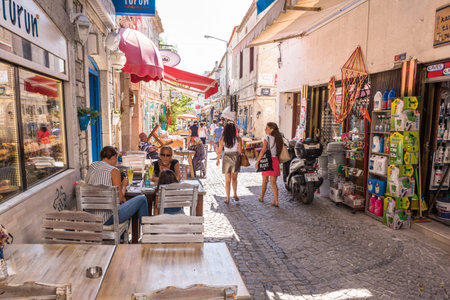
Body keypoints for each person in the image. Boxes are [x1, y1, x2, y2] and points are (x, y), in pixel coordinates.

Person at [85, 146, 148, 225]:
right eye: (117, 159)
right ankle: (146, 229)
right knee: (142, 199)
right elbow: (120, 199)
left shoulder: (92, 166)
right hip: (107, 218)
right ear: (114, 157)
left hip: (90, 218)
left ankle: (121, 237)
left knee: (124, 204)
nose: (117, 162)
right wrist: (124, 185)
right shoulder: (114, 171)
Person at [255, 122, 284, 207]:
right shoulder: (278, 138)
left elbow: (263, 150)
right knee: (273, 183)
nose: (265, 129)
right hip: (275, 160)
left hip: (267, 161)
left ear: (272, 130)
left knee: (265, 181)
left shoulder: (266, 138)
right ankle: (276, 201)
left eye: (267, 128)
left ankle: (262, 197)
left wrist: (258, 161)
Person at [216, 122, 242, 204]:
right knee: (234, 178)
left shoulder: (222, 138)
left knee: (227, 180)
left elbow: (220, 151)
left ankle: (227, 198)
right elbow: (240, 151)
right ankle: (235, 194)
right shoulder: (238, 138)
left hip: (226, 157)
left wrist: (218, 159)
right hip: (235, 157)